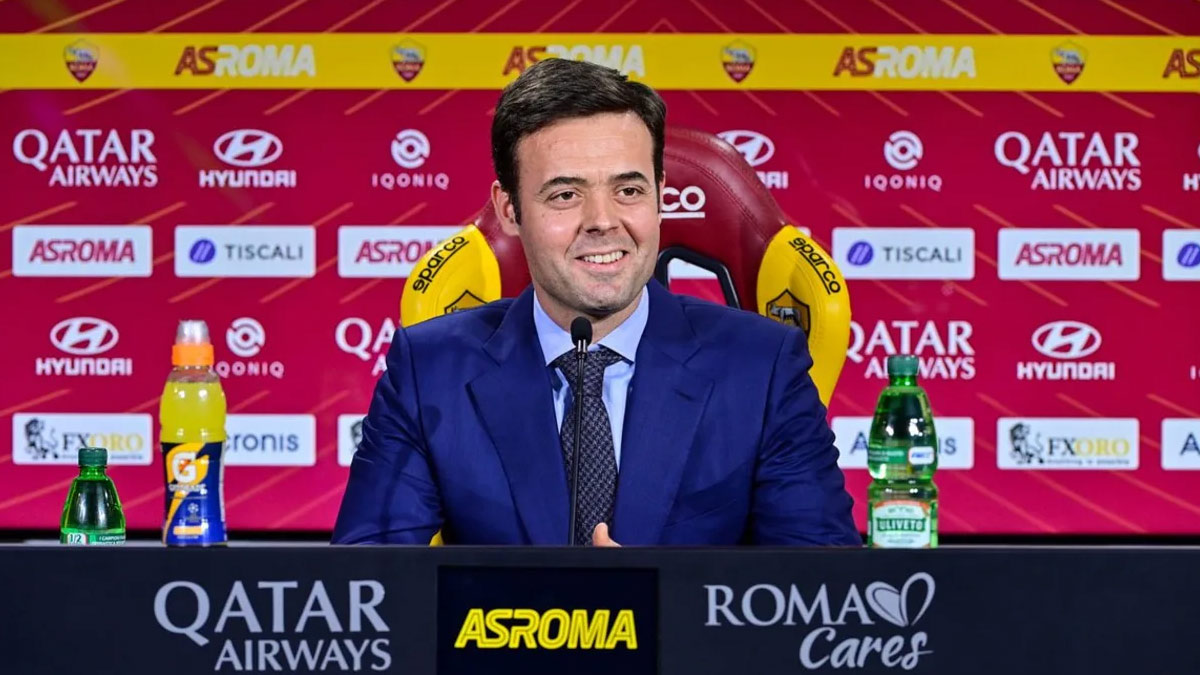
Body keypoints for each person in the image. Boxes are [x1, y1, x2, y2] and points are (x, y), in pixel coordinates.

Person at [332, 58, 860, 547]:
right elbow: (369, 589)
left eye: (628, 190)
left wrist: (652, 597)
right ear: (510, 209)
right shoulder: (429, 370)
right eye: (565, 194)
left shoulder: (763, 367)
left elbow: (819, 592)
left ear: (660, 196)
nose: (603, 221)